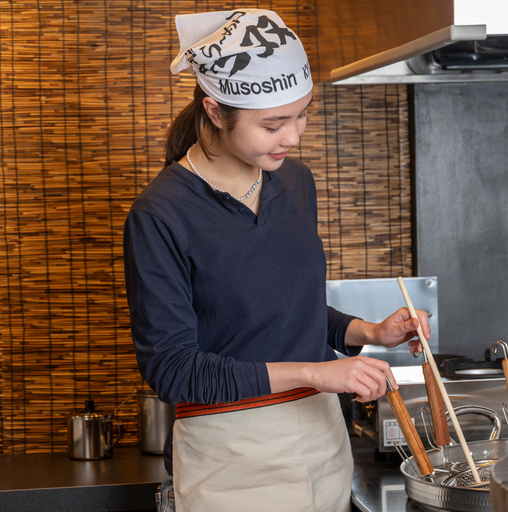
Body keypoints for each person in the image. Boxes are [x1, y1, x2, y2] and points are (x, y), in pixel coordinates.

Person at [123, 9, 431, 512]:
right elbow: (173, 370)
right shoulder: (160, 214)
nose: (293, 136)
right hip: (231, 463)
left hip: (323, 443)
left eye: (302, 114)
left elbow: (287, 310)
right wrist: (316, 373)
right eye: (273, 124)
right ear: (215, 112)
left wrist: (369, 332)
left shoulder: (294, 181)